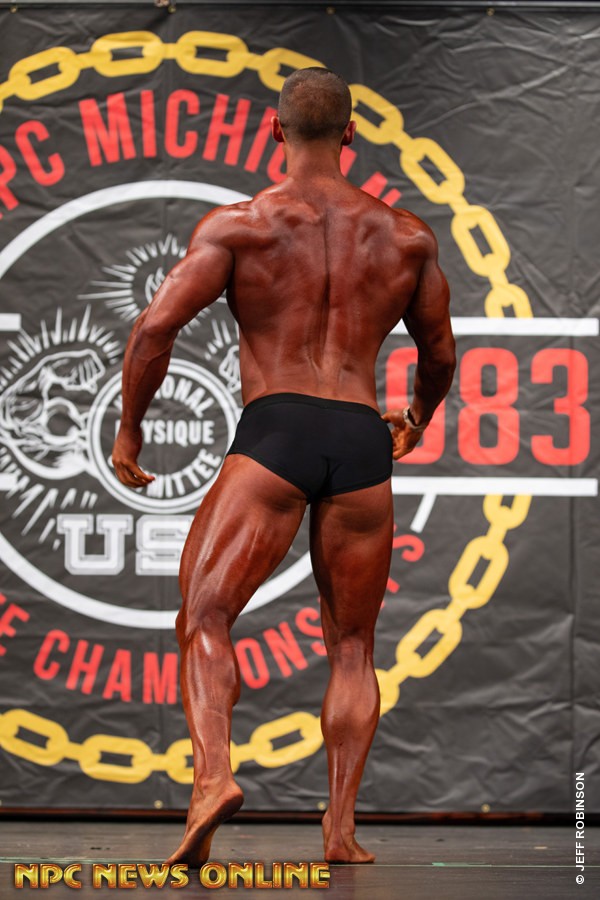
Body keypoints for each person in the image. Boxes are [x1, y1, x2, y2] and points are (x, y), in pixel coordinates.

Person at [111, 67, 455, 866]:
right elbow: (439, 353)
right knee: (353, 646)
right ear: (351, 134)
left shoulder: (243, 227)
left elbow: (154, 329)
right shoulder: (406, 237)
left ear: (275, 130)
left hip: (277, 431)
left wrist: (130, 431)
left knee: (205, 614)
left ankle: (213, 781)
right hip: (361, 439)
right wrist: (414, 419)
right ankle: (340, 830)